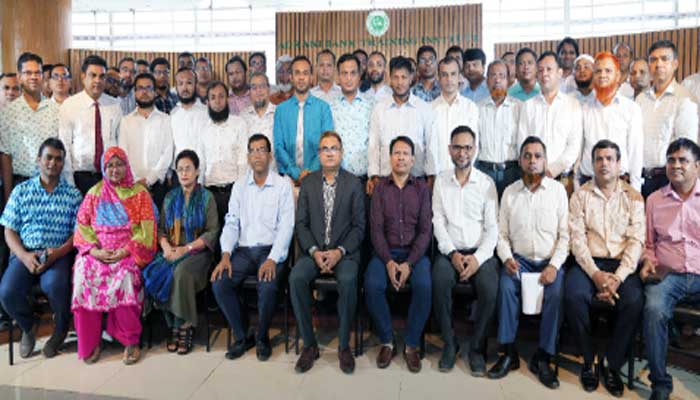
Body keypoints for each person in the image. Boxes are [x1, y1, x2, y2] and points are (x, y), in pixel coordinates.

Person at [566, 139, 645, 397]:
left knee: (634, 300)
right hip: (589, 262)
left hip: (622, 265)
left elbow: (636, 242)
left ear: (619, 164)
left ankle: (611, 363)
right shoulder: (580, 196)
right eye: (599, 159)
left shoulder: (634, 197)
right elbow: (577, 241)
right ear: (592, 163)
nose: (604, 164)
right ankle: (588, 359)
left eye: (610, 159)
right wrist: (596, 275)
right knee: (573, 294)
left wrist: (617, 278)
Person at [489, 136, 569, 389]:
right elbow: (501, 235)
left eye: (537, 156)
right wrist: (507, 258)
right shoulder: (510, 193)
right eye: (527, 156)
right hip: (519, 261)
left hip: (549, 262)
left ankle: (543, 357)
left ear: (545, 161)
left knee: (556, 292)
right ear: (520, 161)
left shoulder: (557, 192)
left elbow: (565, 236)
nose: (532, 161)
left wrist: (554, 266)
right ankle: (508, 352)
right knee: (505, 286)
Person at [71, 146, 157, 365]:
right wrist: (95, 251)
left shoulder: (139, 194)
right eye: (110, 165)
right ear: (103, 168)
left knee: (126, 277)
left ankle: (130, 341)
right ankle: (91, 342)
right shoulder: (94, 193)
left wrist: (126, 250)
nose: (115, 169)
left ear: (127, 166)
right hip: (97, 253)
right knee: (82, 275)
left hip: (127, 253)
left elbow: (147, 230)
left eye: (119, 164)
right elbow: (81, 226)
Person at [211, 134, 293, 361]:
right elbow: (231, 223)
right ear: (248, 157)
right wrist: (225, 255)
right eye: (253, 151)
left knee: (267, 284)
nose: (257, 155)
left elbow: (286, 227)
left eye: (262, 150)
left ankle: (262, 336)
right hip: (244, 252)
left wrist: (273, 259)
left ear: (270, 155)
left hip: (270, 250)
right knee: (220, 282)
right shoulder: (239, 187)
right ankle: (243, 335)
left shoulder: (282, 186)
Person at [289, 131, 365, 374]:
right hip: (314, 252)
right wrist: (314, 252)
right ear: (319, 154)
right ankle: (310, 345)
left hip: (344, 253)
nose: (330, 153)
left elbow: (359, 227)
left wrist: (339, 252)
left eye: (334, 148)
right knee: (296, 278)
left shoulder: (354, 183)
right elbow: (301, 224)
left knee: (348, 279)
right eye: (325, 148)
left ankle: (344, 346)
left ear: (341, 153)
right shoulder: (308, 183)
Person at [0, 138, 82, 359]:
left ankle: (61, 329)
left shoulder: (73, 195)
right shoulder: (21, 191)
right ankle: (29, 326)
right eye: (48, 157)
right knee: (7, 292)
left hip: (58, 254)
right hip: (26, 253)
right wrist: (24, 256)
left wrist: (57, 253)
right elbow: (9, 231)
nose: (53, 163)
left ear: (63, 164)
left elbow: (78, 233)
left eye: (58, 159)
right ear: (38, 160)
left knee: (54, 285)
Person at [432, 126, 498, 375]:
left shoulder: (486, 183)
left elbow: (492, 229)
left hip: (481, 253)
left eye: (467, 147)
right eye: (457, 147)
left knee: (490, 289)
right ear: (450, 150)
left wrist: (477, 259)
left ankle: (476, 348)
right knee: (439, 282)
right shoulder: (441, 181)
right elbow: (438, 222)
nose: (462, 153)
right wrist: (452, 254)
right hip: (450, 251)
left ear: (475, 150)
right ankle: (450, 343)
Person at [365, 136, 432, 374]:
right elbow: (376, 230)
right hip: (386, 252)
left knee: (424, 285)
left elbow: (425, 231)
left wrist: (409, 264)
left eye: (405, 153)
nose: (401, 157)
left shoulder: (422, 189)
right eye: (397, 153)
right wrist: (389, 261)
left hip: (415, 254)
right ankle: (387, 340)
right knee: (372, 285)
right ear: (390, 158)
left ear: (413, 160)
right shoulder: (380, 189)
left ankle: (411, 344)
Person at [640, 138, 700, 400]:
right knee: (653, 310)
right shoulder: (655, 200)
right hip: (669, 274)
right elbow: (648, 244)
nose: (676, 165)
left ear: (697, 166)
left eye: (683, 160)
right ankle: (660, 384)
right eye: (671, 160)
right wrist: (647, 261)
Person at [145, 150, 218, 355]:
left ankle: (184, 325)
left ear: (197, 172)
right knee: (154, 271)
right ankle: (172, 325)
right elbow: (160, 230)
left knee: (181, 272)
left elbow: (212, 232)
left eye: (188, 169)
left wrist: (186, 249)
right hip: (173, 249)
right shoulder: (170, 197)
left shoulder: (207, 197)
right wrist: (167, 248)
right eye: (180, 170)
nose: (184, 173)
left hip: (198, 252)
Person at [637, 40, 698, 198]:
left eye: (665, 59)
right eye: (653, 59)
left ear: (675, 64)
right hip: (641, 178)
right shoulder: (641, 99)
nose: (658, 64)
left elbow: (686, 147)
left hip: (670, 179)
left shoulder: (685, 98)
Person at [518, 51, 582, 195]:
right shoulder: (528, 106)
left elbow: (574, 146)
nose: (544, 74)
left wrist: (552, 170)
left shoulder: (572, 105)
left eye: (549, 69)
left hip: (563, 178)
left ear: (559, 73)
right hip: (533, 177)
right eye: (540, 70)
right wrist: (536, 168)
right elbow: (522, 143)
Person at [368, 56, 434, 195]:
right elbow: (374, 145)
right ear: (389, 79)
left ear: (411, 78)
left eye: (404, 77)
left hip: (416, 180)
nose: (400, 82)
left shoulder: (424, 108)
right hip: (385, 180)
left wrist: (431, 175)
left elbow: (430, 144)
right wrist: (374, 175)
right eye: (395, 77)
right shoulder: (379, 109)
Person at [577, 51, 643, 191]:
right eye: (598, 71)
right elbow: (579, 149)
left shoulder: (631, 109)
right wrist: (577, 185)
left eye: (608, 71)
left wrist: (635, 191)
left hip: (621, 185)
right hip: (588, 184)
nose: (602, 75)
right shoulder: (583, 109)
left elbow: (635, 152)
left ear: (617, 75)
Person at [0, 52, 60, 201]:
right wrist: (8, 196)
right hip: (20, 184)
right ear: (19, 76)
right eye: (28, 73)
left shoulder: (56, 110)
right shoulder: (8, 113)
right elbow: (6, 156)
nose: (33, 77)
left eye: (37, 72)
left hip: (50, 184)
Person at [59, 54, 122, 195]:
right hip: (80, 177)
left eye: (102, 76)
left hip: (109, 176)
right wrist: (70, 182)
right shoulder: (69, 106)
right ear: (83, 77)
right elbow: (65, 145)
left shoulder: (115, 105)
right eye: (92, 75)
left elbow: (120, 142)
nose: (97, 80)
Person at [273, 55, 333, 186]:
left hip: (318, 177)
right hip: (287, 179)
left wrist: (309, 172)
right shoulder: (281, 110)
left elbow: (327, 144)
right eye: (297, 73)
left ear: (311, 77)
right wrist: (295, 173)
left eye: (305, 73)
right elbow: (278, 147)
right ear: (291, 77)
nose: (301, 77)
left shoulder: (323, 108)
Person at [117, 73, 174, 208]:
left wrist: (149, 180)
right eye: (140, 88)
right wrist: (137, 181)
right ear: (135, 92)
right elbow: (123, 154)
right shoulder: (126, 121)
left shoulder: (165, 119)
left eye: (148, 88)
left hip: (158, 186)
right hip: (131, 185)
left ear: (155, 92)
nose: (144, 92)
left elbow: (168, 152)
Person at [201, 81, 248, 226]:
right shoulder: (203, 128)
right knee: (212, 235)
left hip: (233, 191)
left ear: (227, 99)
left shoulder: (239, 124)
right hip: (209, 192)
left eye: (221, 96)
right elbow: (201, 161)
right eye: (213, 97)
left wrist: (240, 193)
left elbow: (243, 160)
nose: (217, 101)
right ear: (207, 102)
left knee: (234, 233)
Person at [475, 60, 521, 197]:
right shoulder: (477, 108)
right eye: (493, 75)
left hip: (512, 172)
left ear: (508, 81)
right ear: (486, 81)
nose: (497, 80)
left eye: (502, 76)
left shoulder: (519, 107)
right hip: (484, 171)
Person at [428, 56, 479, 176]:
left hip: (464, 174)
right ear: (438, 78)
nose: (449, 79)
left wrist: (465, 172)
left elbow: (474, 144)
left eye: (453, 74)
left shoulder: (470, 108)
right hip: (438, 176)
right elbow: (429, 147)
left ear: (459, 77)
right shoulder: (429, 109)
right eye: (444, 75)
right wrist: (433, 175)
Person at [330, 54, 373, 181]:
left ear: (359, 76)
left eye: (353, 73)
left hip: (365, 179)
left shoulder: (372, 105)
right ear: (338, 77)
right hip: (337, 178)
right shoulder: (329, 107)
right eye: (344, 73)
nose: (349, 78)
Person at [171, 67, 208, 167]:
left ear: (196, 85)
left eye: (189, 83)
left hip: (202, 170)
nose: (185, 88)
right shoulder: (173, 115)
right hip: (179, 171)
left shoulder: (207, 113)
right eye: (180, 83)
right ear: (176, 87)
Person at [241, 72, 277, 172]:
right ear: (249, 92)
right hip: (249, 175)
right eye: (254, 87)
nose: (258, 91)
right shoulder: (242, 117)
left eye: (262, 86)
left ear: (269, 89)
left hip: (275, 174)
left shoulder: (279, 114)